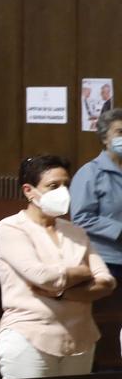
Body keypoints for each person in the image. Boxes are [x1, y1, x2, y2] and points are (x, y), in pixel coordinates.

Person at [0, 155, 116, 379]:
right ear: (30, 191)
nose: (62, 191)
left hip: (78, 338)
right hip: (28, 336)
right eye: (53, 186)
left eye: (65, 184)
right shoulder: (10, 228)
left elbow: (106, 281)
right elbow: (41, 275)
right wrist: (76, 275)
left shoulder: (75, 231)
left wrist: (60, 292)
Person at [70, 108, 122, 272]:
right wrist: (119, 230)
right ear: (105, 138)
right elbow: (80, 217)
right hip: (106, 260)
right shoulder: (91, 172)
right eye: (120, 132)